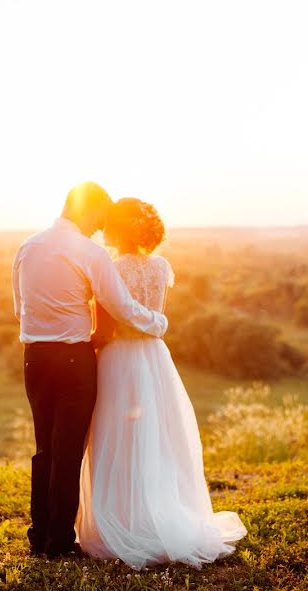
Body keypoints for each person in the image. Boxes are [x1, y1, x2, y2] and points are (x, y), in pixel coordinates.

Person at [75, 197, 246, 569]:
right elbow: (155, 316)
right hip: (154, 358)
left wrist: (84, 343)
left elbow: (104, 329)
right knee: (158, 440)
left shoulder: (110, 267)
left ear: (116, 227)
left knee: (117, 439)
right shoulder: (160, 266)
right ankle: (164, 515)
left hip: (118, 359)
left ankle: (123, 522)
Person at [11, 182, 168, 558]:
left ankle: (41, 536)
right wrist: (158, 323)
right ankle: (59, 542)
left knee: (44, 449)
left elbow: (20, 309)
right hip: (72, 360)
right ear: (87, 210)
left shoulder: (27, 247)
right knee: (68, 451)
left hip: (34, 358)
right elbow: (123, 307)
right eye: (99, 217)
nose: (101, 226)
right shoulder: (90, 252)